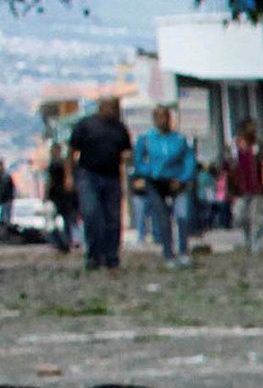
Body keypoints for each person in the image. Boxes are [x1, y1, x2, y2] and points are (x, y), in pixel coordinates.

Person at [67, 94, 131, 271]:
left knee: (113, 218)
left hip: (112, 176)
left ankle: (111, 255)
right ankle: (94, 254)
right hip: (89, 175)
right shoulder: (86, 125)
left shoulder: (120, 128)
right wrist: (69, 176)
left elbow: (126, 151)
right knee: (91, 213)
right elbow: (71, 150)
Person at [132, 104, 199, 265]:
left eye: (165, 116)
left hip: (177, 182)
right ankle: (168, 252)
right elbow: (138, 161)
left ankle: (183, 250)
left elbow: (189, 160)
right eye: (158, 117)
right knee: (162, 218)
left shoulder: (179, 139)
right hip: (155, 182)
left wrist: (183, 178)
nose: (162, 120)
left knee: (182, 215)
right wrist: (149, 172)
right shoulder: (147, 139)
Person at [225, 127, 263, 250]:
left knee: (258, 218)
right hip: (240, 190)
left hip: (257, 189)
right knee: (239, 216)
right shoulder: (233, 152)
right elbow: (227, 168)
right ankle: (247, 238)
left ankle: (257, 245)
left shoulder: (257, 150)